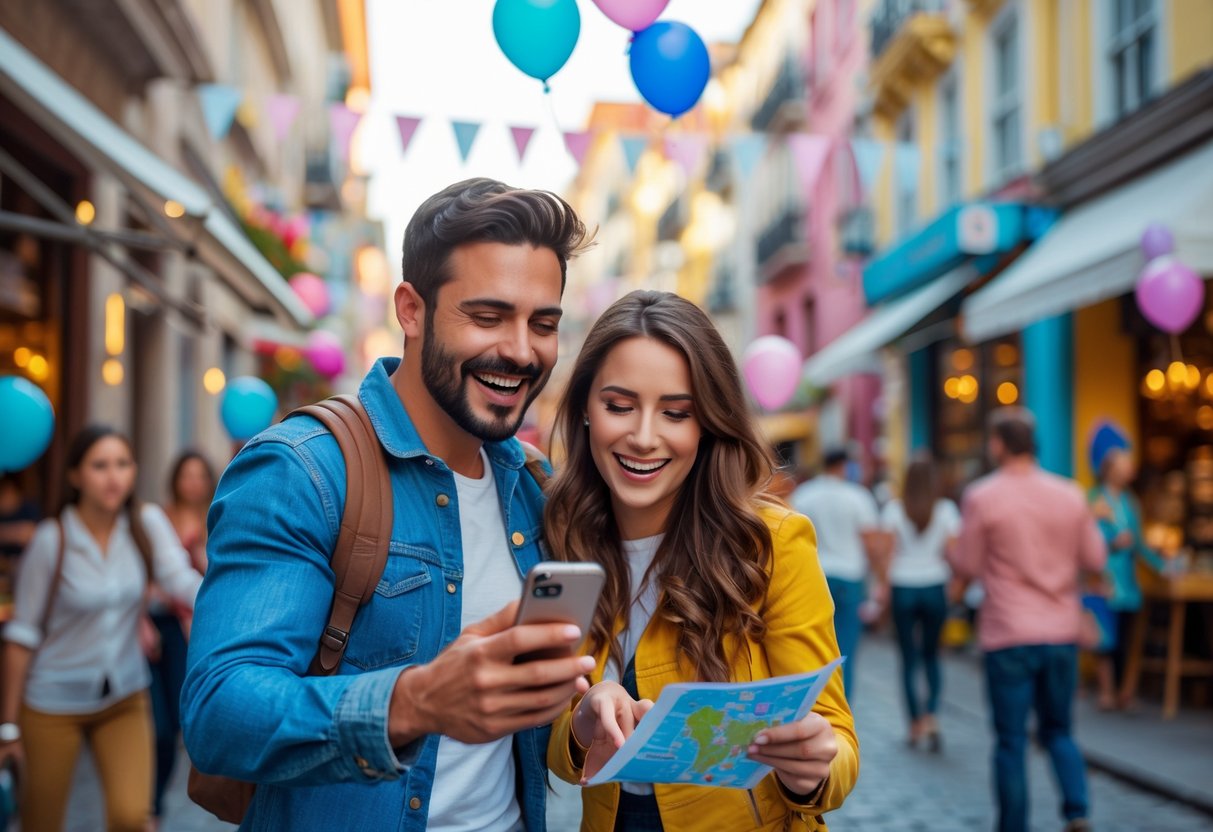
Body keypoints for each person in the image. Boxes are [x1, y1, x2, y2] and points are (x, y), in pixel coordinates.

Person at [182, 178, 595, 831]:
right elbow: (218, 714)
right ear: (410, 310)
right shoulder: (303, 469)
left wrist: (588, 713)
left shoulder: (533, 484)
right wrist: (414, 702)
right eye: (487, 317)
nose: (521, 350)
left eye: (542, 324)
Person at [543, 291, 857, 831]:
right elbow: (552, 742)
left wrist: (812, 765)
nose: (644, 437)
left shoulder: (772, 543)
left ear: (708, 423)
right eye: (619, 406)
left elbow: (837, 739)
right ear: (585, 412)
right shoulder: (562, 538)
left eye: (676, 413)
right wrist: (582, 725)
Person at [0, 425, 202, 832]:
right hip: (52, 702)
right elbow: (21, 637)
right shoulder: (52, 539)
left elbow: (181, 579)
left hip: (125, 695)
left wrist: (236, 607)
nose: (114, 477)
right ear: (75, 475)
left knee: (131, 817)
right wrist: (8, 726)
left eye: (122, 464)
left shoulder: (145, 522)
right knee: (41, 822)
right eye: (100, 466)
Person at [952, 408, 1106, 832]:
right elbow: (1095, 558)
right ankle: (1077, 811)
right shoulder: (1070, 494)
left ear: (999, 444)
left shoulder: (983, 496)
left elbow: (969, 564)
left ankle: (1014, 825)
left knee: (1011, 740)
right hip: (1060, 630)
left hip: (1008, 632)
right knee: (1060, 729)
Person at [147, 450, 215, 823]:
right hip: (159, 623)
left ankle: (152, 802)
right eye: (186, 475)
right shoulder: (158, 518)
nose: (192, 483)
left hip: (196, 624)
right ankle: (149, 805)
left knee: (175, 717)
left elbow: (213, 573)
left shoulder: (215, 517)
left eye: (199, 475)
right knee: (157, 720)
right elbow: (154, 573)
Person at [880, 457, 959, 751]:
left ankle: (914, 723)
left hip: (903, 585)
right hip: (935, 585)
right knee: (932, 655)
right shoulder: (946, 510)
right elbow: (953, 553)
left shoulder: (893, 510)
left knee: (908, 658)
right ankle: (931, 715)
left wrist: (883, 589)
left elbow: (887, 555)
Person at [790, 447, 882, 697]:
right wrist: (877, 582)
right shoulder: (858, 497)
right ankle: (842, 706)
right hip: (850, 578)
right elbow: (871, 544)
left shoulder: (804, 494)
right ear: (844, 465)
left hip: (814, 577)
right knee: (846, 650)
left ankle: (816, 702)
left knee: (814, 649)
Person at [1086, 424, 1164, 711]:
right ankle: (1106, 691)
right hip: (1103, 579)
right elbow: (1087, 539)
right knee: (1105, 639)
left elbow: (1140, 544)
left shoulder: (1131, 503)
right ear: (1108, 464)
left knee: (1127, 639)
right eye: (1124, 458)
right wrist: (1111, 542)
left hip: (1127, 582)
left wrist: (1162, 565)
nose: (1130, 465)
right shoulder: (1094, 499)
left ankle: (1125, 691)